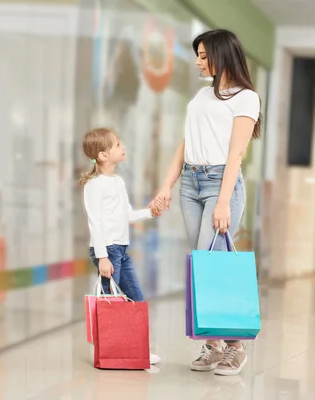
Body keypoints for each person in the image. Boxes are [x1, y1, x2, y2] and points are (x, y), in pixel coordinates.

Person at [150, 29, 262, 376]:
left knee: (214, 264)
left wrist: (224, 200)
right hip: (190, 184)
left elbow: (236, 153)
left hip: (219, 184)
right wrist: (166, 186)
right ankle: (213, 346)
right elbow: (185, 146)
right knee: (203, 264)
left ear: (221, 53)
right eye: (197, 55)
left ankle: (235, 348)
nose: (198, 61)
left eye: (203, 55)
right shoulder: (200, 97)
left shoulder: (246, 97)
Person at [80, 127, 162, 366]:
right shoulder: (94, 185)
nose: (122, 147)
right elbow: (95, 222)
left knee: (135, 299)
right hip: (107, 250)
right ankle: (112, 352)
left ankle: (135, 350)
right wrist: (103, 257)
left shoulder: (118, 182)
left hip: (121, 250)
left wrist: (149, 212)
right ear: (103, 155)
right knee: (110, 304)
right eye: (117, 144)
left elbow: (126, 215)